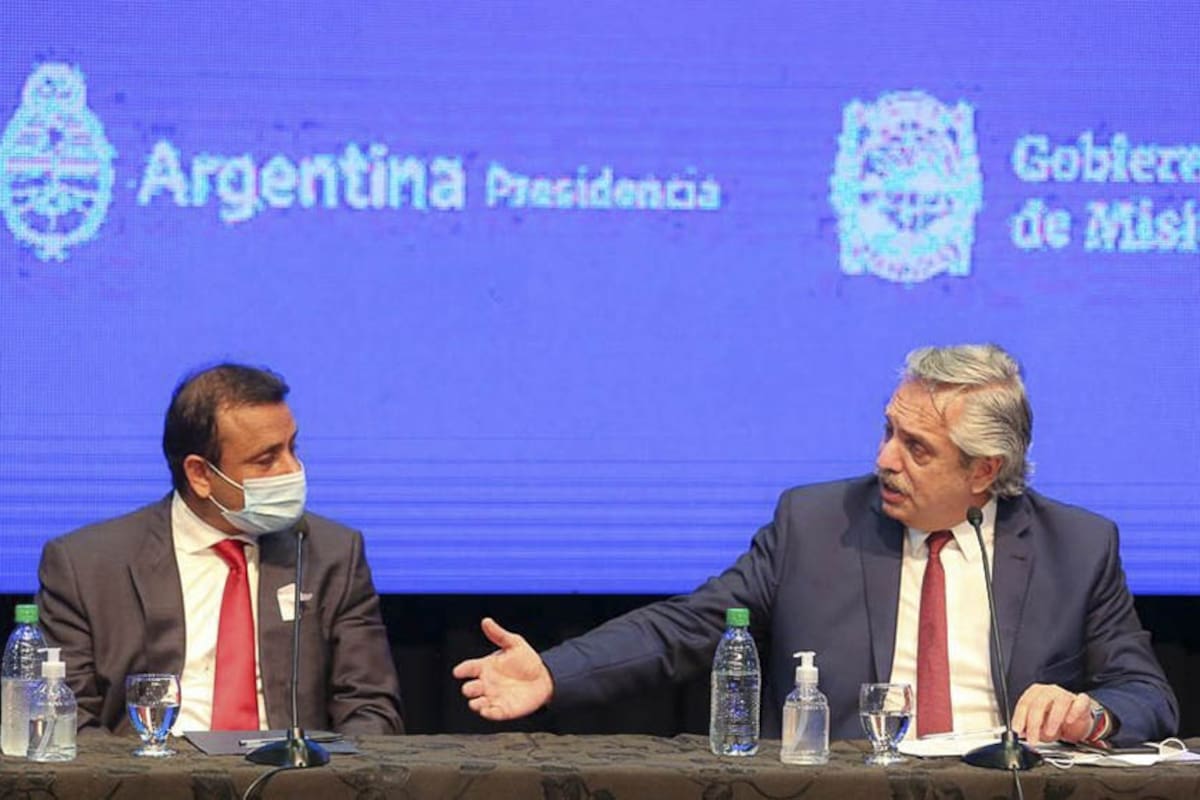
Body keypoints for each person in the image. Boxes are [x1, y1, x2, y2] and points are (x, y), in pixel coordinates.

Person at [454, 344, 1178, 746]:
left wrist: (1092, 714)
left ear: (984, 470)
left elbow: (1145, 695)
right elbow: (686, 627)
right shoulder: (814, 523)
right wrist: (554, 672)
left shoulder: (1076, 547)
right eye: (888, 430)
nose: (884, 458)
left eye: (916, 446)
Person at [37, 364, 404, 735]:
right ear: (200, 474)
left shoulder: (331, 553)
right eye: (266, 459)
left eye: (292, 448)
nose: (292, 470)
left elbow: (370, 708)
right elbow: (67, 720)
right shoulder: (85, 566)